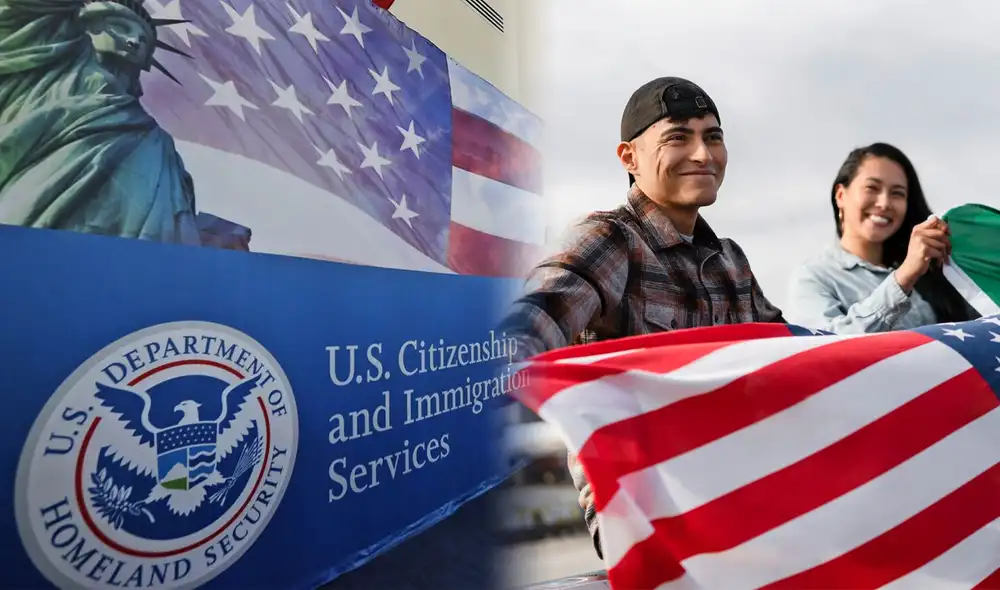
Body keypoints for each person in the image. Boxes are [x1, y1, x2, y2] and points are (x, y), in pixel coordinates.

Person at [500, 77, 784, 558]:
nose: (702, 153)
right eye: (678, 137)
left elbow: (796, 357)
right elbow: (526, 329)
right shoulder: (610, 240)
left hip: (741, 503)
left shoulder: (732, 261)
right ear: (629, 158)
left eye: (713, 137)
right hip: (649, 521)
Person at [0, 0, 247, 249]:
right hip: (30, 236)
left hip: (127, 270)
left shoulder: (155, 141)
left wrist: (210, 238)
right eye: (120, 27)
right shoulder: (54, 74)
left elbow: (168, 224)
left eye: (144, 40)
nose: (135, 41)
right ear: (83, 26)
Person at [787, 143, 978, 333]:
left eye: (897, 193)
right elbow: (823, 348)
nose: (884, 203)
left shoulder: (930, 269)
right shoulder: (814, 277)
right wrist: (903, 278)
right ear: (840, 195)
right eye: (872, 187)